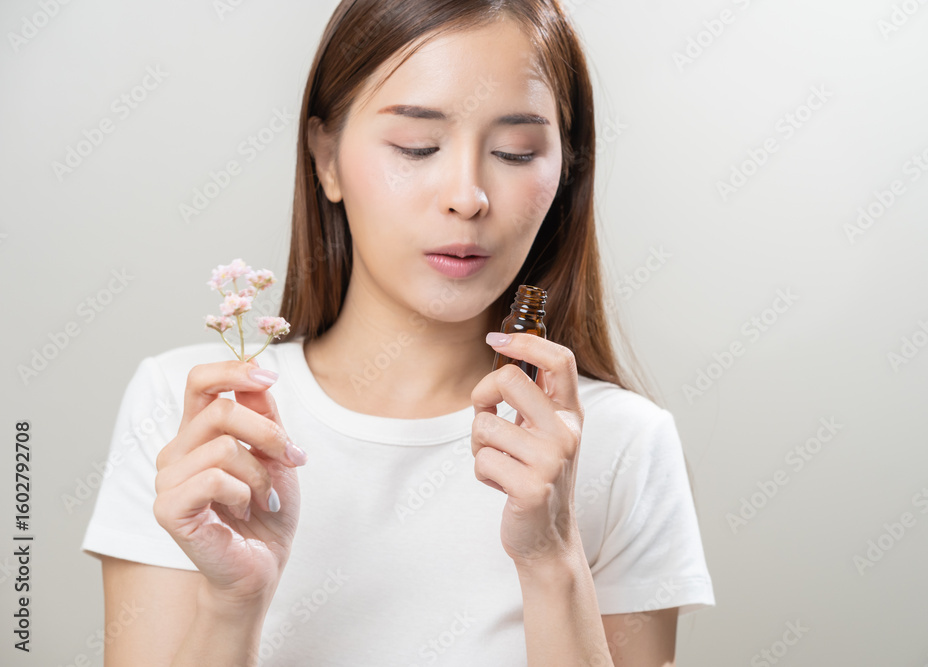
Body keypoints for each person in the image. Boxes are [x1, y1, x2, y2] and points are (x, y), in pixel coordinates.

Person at [81, 1, 715, 664]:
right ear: (326, 156)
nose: (467, 196)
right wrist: (231, 604)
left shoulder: (624, 444)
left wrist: (553, 558)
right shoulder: (198, 411)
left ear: (565, 169)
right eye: (417, 146)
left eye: (515, 151)